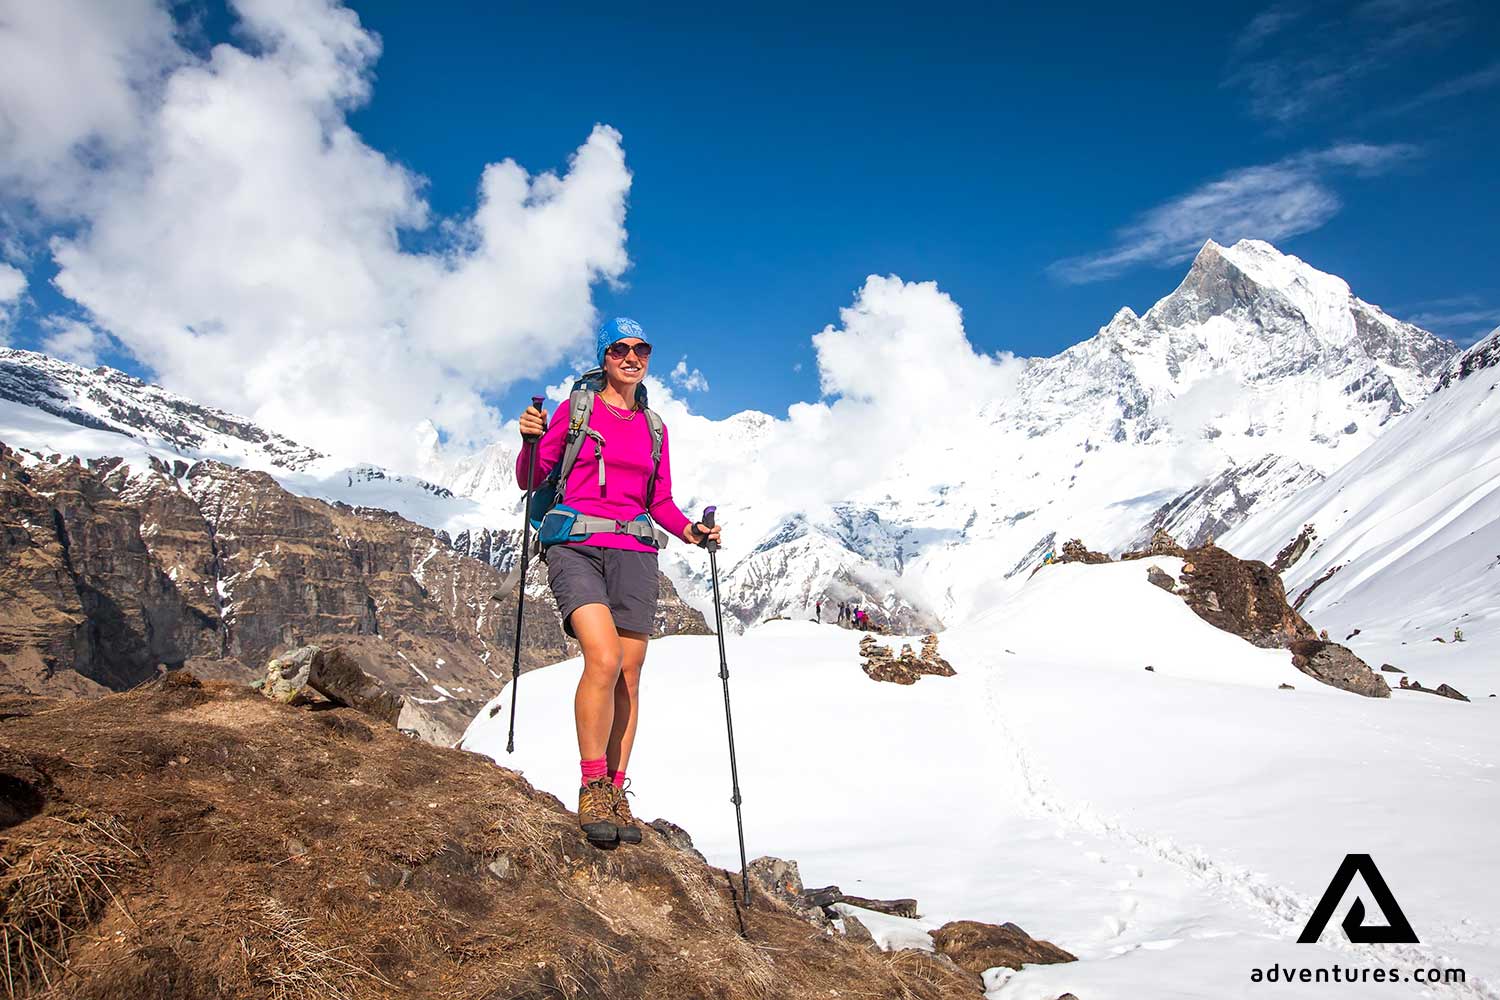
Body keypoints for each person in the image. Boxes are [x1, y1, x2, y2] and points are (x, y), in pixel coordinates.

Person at [517, 317, 722, 845]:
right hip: (575, 546)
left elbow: (660, 502)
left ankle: (615, 789)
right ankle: (591, 788)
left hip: (635, 552)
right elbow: (532, 478)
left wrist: (693, 532)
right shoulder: (575, 411)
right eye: (620, 349)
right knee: (603, 659)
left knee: (629, 674)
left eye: (641, 349)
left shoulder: (654, 427)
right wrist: (529, 442)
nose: (632, 357)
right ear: (604, 357)